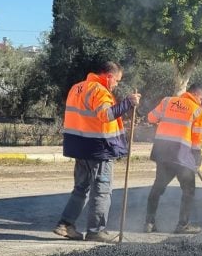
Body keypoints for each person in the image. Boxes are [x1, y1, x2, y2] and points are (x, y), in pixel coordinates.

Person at [53, 61, 141, 243]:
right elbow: (106, 115)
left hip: (79, 146)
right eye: (116, 80)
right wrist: (128, 103)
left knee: (81, 188)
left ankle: (65, 224)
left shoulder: (77, 88)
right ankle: (96, 231)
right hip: (98, 148)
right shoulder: (99, 91)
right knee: (102, 190)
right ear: (108, 76)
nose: (116, 84)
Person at [143, 84, 202, 234]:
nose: (201, 102)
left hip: (163, 153)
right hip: (182, 155)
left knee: (157, 188)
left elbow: (151, 118)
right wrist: (197, 159)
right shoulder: (198, 110)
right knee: (188, 190)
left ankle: (148, 223)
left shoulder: (167, 101)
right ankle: (182, 225)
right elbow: (197, 138)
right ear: (196, 95)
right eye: (201, 98)